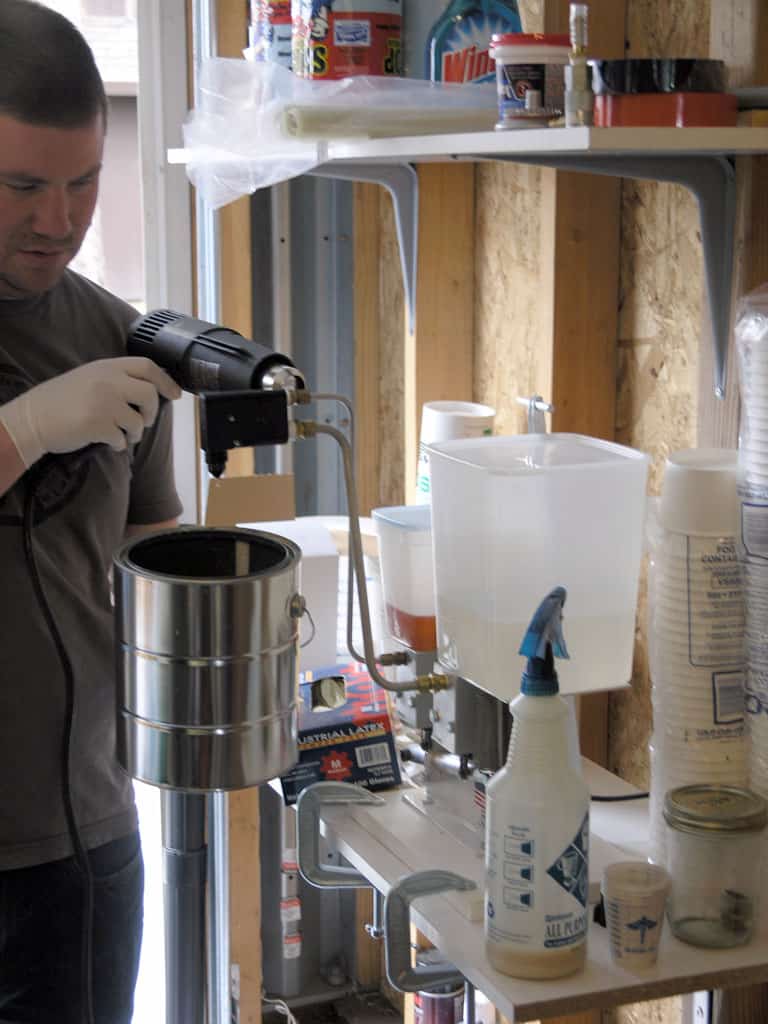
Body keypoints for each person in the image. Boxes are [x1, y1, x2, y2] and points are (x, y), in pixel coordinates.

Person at [0, 2, 183, 1021]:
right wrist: (28, 425)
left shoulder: (115, 337)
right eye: (24, 184)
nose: (59, 220)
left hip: (85, 845)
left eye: (84, 183)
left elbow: (154, 560)